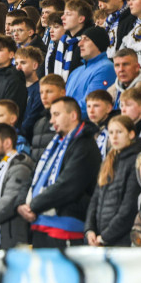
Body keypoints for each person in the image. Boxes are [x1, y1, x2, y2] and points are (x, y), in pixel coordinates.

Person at [18, 97, 102, 247]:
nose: (51, 121)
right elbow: (34, 176)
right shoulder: (55, 144)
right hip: (40, 225)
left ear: (73, 116)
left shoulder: (85, 145)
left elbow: (68, 185)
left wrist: (33, 205)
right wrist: (21, 203)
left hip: (67, 229)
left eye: (56, 114)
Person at [84, 116, 141, 247]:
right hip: (100, 238)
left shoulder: (137, 161)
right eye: (111, 132)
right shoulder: (109, 159)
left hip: (122, 240)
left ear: (131, 134)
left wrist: (105, 237)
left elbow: (129, 207)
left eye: (119, 132)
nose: (114, 137)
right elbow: (95, 198)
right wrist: (90, 230)